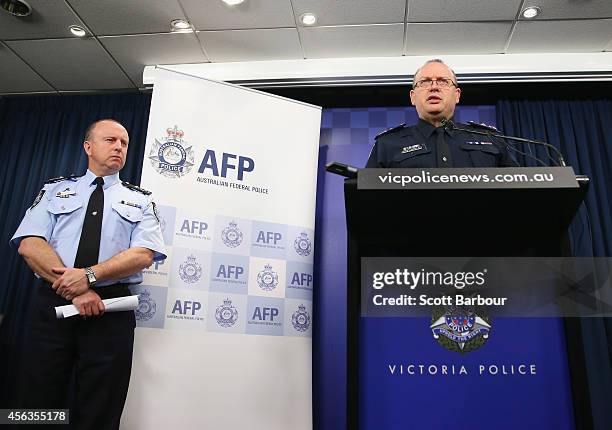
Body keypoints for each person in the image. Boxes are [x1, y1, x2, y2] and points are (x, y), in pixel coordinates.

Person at [10, 119, 166, 429]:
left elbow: (144, 254)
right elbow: (29, 244)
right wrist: (78, 289)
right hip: (54, 303)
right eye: (110, 140)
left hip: (111, 311)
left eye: (123, 142)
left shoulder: (142, 200)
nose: (119, 147)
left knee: (102, 402)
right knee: (36, 396)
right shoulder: (54, 189)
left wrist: (90, 277)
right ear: (88, 146)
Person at [366, 59, 518, 168]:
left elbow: (520, 190)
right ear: (413, 97)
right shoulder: (387, 144)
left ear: (457, 94)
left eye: (443, 81)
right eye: (425, 82)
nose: (434, 87)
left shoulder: (490, 138)